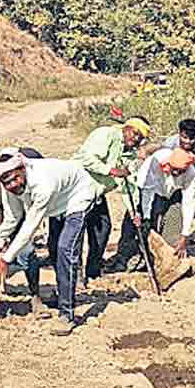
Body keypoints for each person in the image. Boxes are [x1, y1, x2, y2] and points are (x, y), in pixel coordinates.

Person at [0, 154, 98, 336]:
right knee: (54, 250)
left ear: (22, 170)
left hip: (78, 195)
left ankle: (67, 314)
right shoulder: (9, 185)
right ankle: (63, 295)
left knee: (66, 249)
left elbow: (30, 226)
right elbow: (13, 216)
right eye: (6, 183)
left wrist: (6, 258)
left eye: (15, 179)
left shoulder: (43, 184)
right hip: (57, 204)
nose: (12, 186)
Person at [71, 116, 150, 281]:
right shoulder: (105, 134)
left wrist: (133, 210)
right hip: (76, 190)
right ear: (126, 128)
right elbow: (85, 158)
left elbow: (129, 184)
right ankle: (76, 276)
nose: (135, 139)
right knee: (76, 235)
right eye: (135, 134)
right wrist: (111, 170)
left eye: (140, 138)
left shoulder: (130, 154)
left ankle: (93, 272)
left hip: (96, 194)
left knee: (103, 231)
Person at [107, 147, 195, 271]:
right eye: (174, 170)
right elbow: (146, 191)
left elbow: (189, 202)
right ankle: (123, 259)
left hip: (172, 195)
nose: (177, 173)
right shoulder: (155, 162)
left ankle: (159, 262)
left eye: (180, 171)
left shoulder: (191, 173)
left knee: (171, 232)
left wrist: (185, 235)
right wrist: (145, 216)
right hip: (147, 191)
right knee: (135, 225)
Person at [158, 118, 195, 224]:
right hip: (171, 172)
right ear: (179, 133)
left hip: (194, 177)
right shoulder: (170, 143)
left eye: (191, 138)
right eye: (184, 137)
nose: (187, 142)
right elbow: (161, 170)